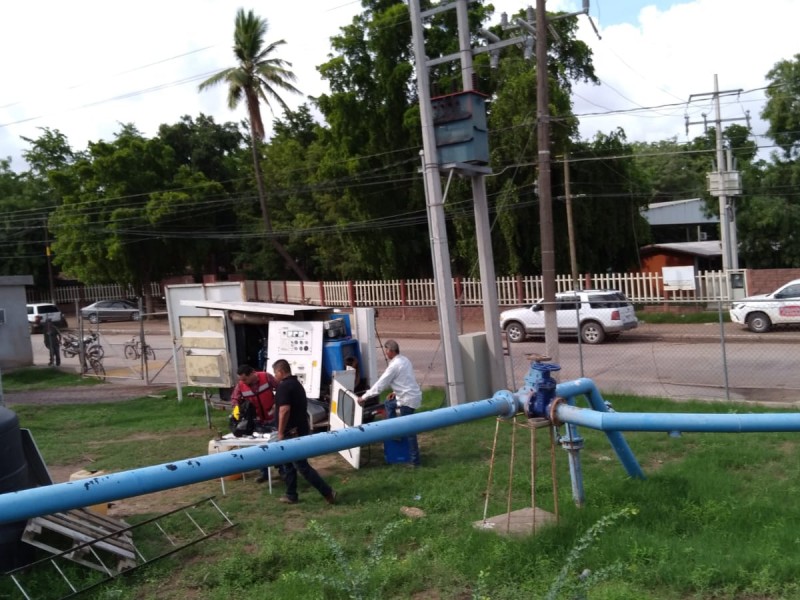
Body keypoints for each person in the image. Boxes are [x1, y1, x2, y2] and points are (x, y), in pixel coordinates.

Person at [272, 358, 337, 505]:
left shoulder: (284, 387)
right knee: (288, 463)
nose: (275, 376)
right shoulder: (297, 384)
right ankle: (291, 494)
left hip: (291, 433)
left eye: (275, 373)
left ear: (281, 372)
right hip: (300, 429)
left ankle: (327, 492)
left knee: (301, 466)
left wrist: (281, 432)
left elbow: (284, 410)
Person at [357, 339, 422, 467]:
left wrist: (364, 397)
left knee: (410, 431)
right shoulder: (404, 360)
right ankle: (395, 431)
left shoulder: (393, 366)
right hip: (411, 395)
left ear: (391, 351)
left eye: (386, 350)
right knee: (388, 403)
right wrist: (395, 392)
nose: (385, 353)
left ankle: (415, 461)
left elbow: (380, 385)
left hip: (407, 400)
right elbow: (404, 380)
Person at [231, 364, 278, 483]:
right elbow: (235, 398)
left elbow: (281, 389)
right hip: (256, 421)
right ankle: (264, 473)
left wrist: (277, 403)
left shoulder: (266, 377)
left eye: (245, 379)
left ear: (252, 373)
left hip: (273, 418)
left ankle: (282, 471)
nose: (243, 382)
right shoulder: (241, 385)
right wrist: (236, 408)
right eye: (241, 380)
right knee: (258, 448)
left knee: (277, 445)